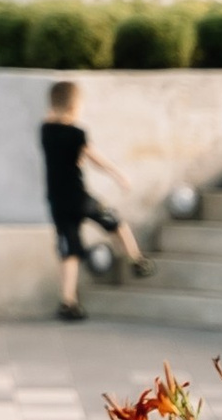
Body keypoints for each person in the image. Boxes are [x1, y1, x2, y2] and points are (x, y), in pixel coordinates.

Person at [42, 77, 148, 319]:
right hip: (80, 198)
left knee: (69, 250)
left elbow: (50, 117)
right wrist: (118, 174)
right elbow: (95, 159)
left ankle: (68, 302)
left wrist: (57, 112)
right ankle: (136, 259)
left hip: (57, 202)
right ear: (74, 107)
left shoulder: (45, 131)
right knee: (114, 221)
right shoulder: (77, 133)